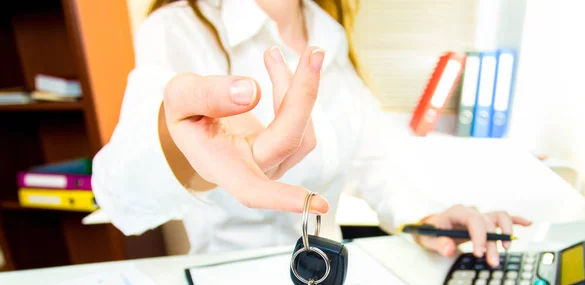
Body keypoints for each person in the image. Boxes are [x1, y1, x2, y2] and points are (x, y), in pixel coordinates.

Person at [92, 0, 530, 264]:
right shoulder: (178, 28)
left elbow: (375, 165)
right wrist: (180, 148)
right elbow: (118, 197)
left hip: (330, 284)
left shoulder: (330, 35)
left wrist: (431, 218)